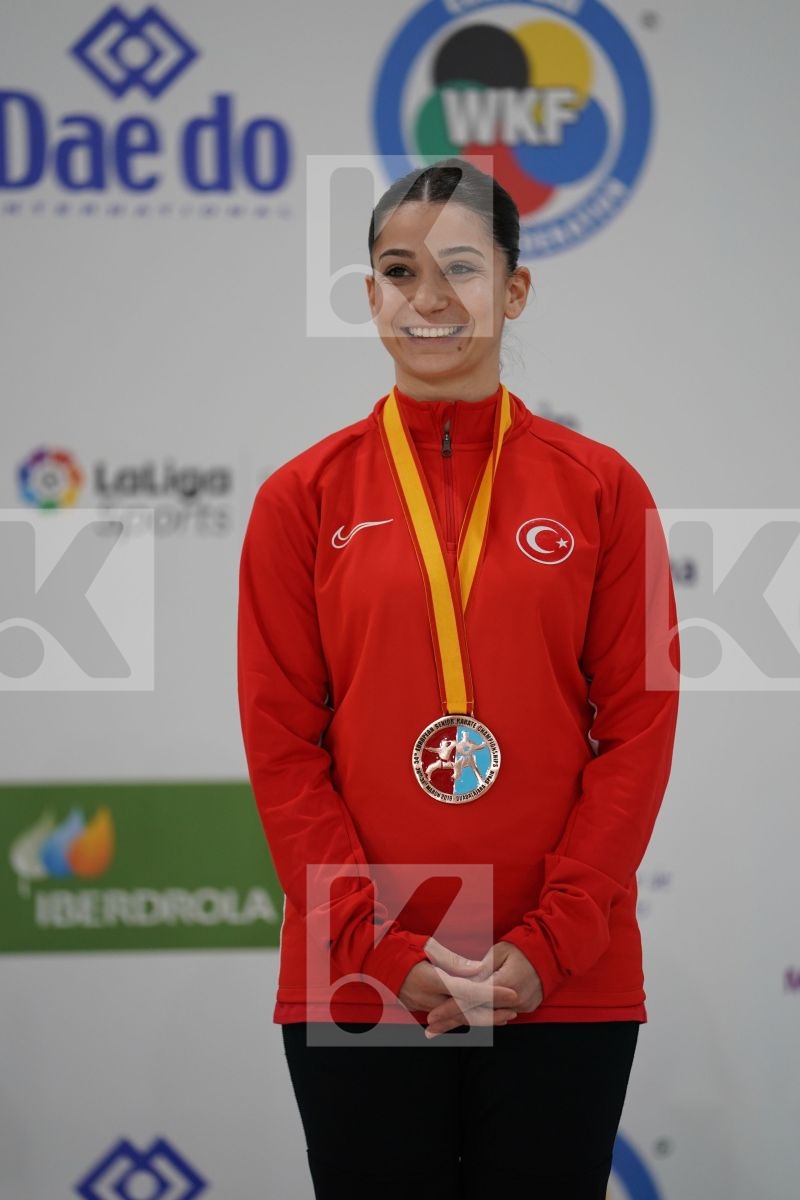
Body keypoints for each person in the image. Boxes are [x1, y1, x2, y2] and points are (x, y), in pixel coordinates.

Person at [237, 158, 680, 1200]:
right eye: (398, 271)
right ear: (368, 295)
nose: (427, 300)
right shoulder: (298, 497)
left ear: (514, 289)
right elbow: (281, 746)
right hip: (356, 970)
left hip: (559, 973)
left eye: (460, 270)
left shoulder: (605, 490)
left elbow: (638, 731)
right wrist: (375, 946)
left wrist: (550, 943)